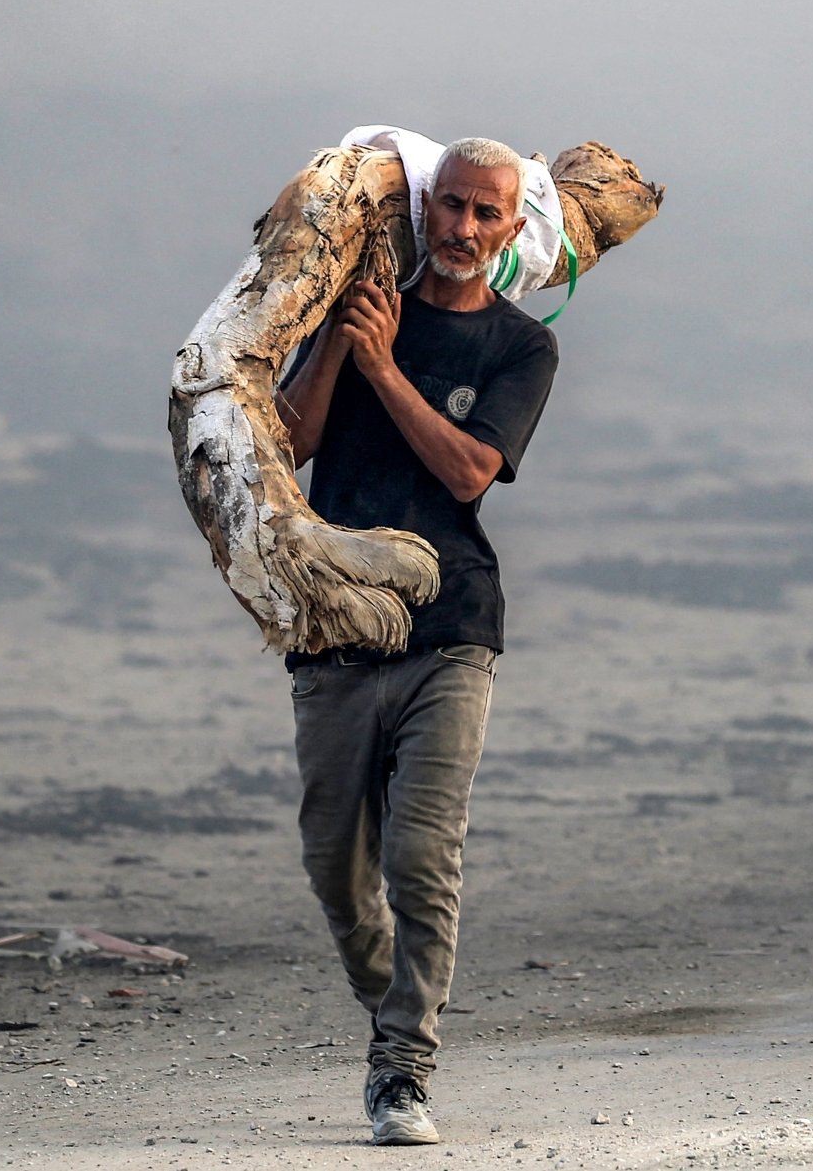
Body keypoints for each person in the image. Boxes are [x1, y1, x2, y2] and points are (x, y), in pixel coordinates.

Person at [272, 136, 560, 1145]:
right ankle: (396, 1004)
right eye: (452, 209)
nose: (465, 230)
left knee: (420, 856)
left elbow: (468, 471)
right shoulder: (358, 306)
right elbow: (294, 444)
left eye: (488, 215)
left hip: (451, 628)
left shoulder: (520, 348)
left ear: (512, 229)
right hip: (335, 626)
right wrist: (345, 345)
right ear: (422, 209)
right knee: (333, 870)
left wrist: (388, 370)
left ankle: (401, 1071)